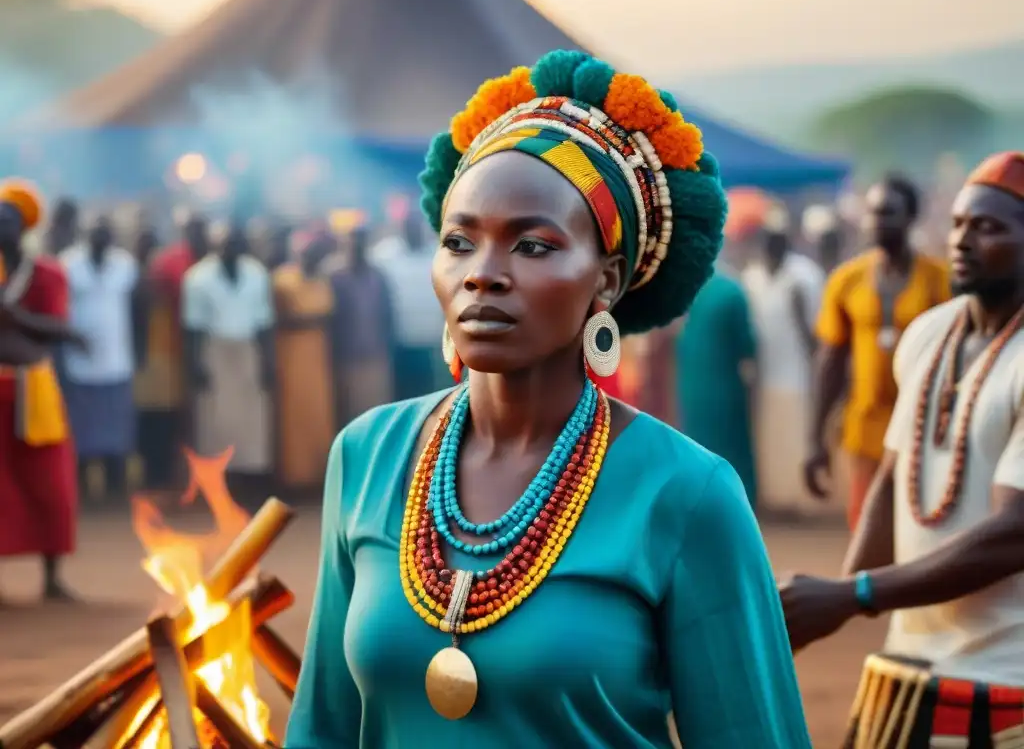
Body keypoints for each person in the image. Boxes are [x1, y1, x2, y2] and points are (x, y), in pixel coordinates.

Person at [286, 51, 810, 748]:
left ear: (607, 281)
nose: (483, 275)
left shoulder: (686, 495)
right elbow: (323, 727)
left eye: (532, 245)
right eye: (458, 242)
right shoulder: (367, 455)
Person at [780, 152, 1024, 747]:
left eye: (990, 227)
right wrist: (835, 600)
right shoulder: (929, 334)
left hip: (1005, 680)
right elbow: (893, 477)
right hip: (908, 666)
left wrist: (853, 596)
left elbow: (1015, 531)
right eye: (962, 223)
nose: (964, 239)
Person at [806, 174, 950, 530]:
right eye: (872, 212)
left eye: (887, 212)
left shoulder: (939, 279)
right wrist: (816, 439)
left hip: (924, 427)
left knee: (921, 527)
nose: (876, 221)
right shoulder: (846, 280)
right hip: (866, 425)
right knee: (867, 526)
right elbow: (831, 362)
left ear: (910, 217)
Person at [0, 180, 85, 601]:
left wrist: (13, 316)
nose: (1, 225)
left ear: (24, 226)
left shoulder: (47, 273)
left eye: (8, 218)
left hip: (33, 387)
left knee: (49, 482)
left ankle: (52, 577)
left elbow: (59, 328)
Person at [743, 217, 826, 517]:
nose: (770, 254)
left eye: (776, 248)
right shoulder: (752, 278)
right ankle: (774, 499)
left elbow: (817, 335)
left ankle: (799, 501)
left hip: (796, 374)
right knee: (769, 439)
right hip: (764, 374)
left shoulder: (804, 276)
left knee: (795, 436)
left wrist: (799, 312)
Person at [182, 221, 274, 479]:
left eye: (235, 243)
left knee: (250, 414)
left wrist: (268, 361)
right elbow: (192, 328)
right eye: (224, 244)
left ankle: (251, 474)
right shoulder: (197, 277)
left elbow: (265, 324)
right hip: (215, 349)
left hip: (247, 348)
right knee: (216, 416)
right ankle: (220, 476)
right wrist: (195, 363)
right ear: (214, 245)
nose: (230, 248)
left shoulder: (257, 274)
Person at [60, 214, 140, 506]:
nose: (101, 237)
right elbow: (58, 307)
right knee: (80, 431)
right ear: (85, 235)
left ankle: (115, 490)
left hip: (117, 360)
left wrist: (139, 349)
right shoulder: (68, 264)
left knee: (116, 432)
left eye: (105, 232)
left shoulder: (125, 265)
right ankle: (82, 491)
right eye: (95, 233)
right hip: (79, 363)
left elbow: (136, 308)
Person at [136, 209, 209, 489]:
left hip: (202, 347)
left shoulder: (211, 259)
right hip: (168, 350)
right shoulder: (169, 262)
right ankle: (169, 476)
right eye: (192, 228)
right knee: (170, 414)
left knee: (199, 415)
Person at [676, 265, 759, 507]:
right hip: (725, 390)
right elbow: (747, 348)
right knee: (732, 449)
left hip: (692, 389)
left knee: (697, 446)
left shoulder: (685, 294)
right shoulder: (732, 293)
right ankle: (738, 505)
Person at [273, 227, 336, 491]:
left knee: (319, 413)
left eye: (313, 253)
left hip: (319, 356)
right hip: (292, 354)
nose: (309, 257)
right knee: (294, 415)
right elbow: (278, 318)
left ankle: (318, 477)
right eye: (304, 252)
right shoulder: (282, 280)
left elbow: (331, 316)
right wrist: (310, 321)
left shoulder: (323, 280)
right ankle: (295, 478)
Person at [371, 212, 447, 400]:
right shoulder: (384, 255)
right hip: (400, 341)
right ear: (400, 229)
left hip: (431, 342)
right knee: (403, 394)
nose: (412, 231)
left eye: (415, 227)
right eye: (407, 227)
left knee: (431, 393)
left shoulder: (437, 254)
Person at [329, 225, 395, 423]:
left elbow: (388, 315)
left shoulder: (378, 276)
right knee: (350, 413)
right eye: (351, 242)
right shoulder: (334, 277)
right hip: (346, 359)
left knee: (378, 411)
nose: (356, 246)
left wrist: (388, 348)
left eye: (360, 242)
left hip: (376, 356)